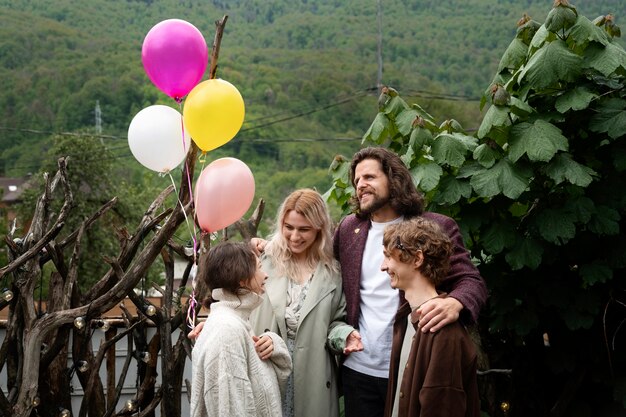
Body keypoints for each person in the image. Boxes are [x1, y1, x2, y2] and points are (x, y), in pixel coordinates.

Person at [333, 146, 487, 417]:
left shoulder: (433, 227)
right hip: (358, 369)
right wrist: (268, 249)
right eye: (357, 181)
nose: (360, 185)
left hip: (411, 365)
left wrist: (456, 302)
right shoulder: (348, 229)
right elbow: (320, 266)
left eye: (369, 177)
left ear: (394, 179)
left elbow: (471, 280)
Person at [250, 188, 363, 417]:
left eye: (304, 229)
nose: (294, 236)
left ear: (319, 228)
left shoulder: (333, 271)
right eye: (288, 227)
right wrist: (216, 322)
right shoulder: (263, 260)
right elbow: (240, 303)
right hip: (266, 368)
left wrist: (344, 335)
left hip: (314, 376)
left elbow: (334, 322)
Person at [381, 217, 480, 417]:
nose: (383, 266)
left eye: (389, 257)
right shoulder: (405, 318)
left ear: (417, 259)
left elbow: (443, 407)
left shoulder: (443, 332)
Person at [189, 242, 292, 417]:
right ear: (242, 280)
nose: (265, 275)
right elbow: (229, 408)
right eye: (260, 267)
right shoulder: (227, 330)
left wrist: (274, 344)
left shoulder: (236, 320)